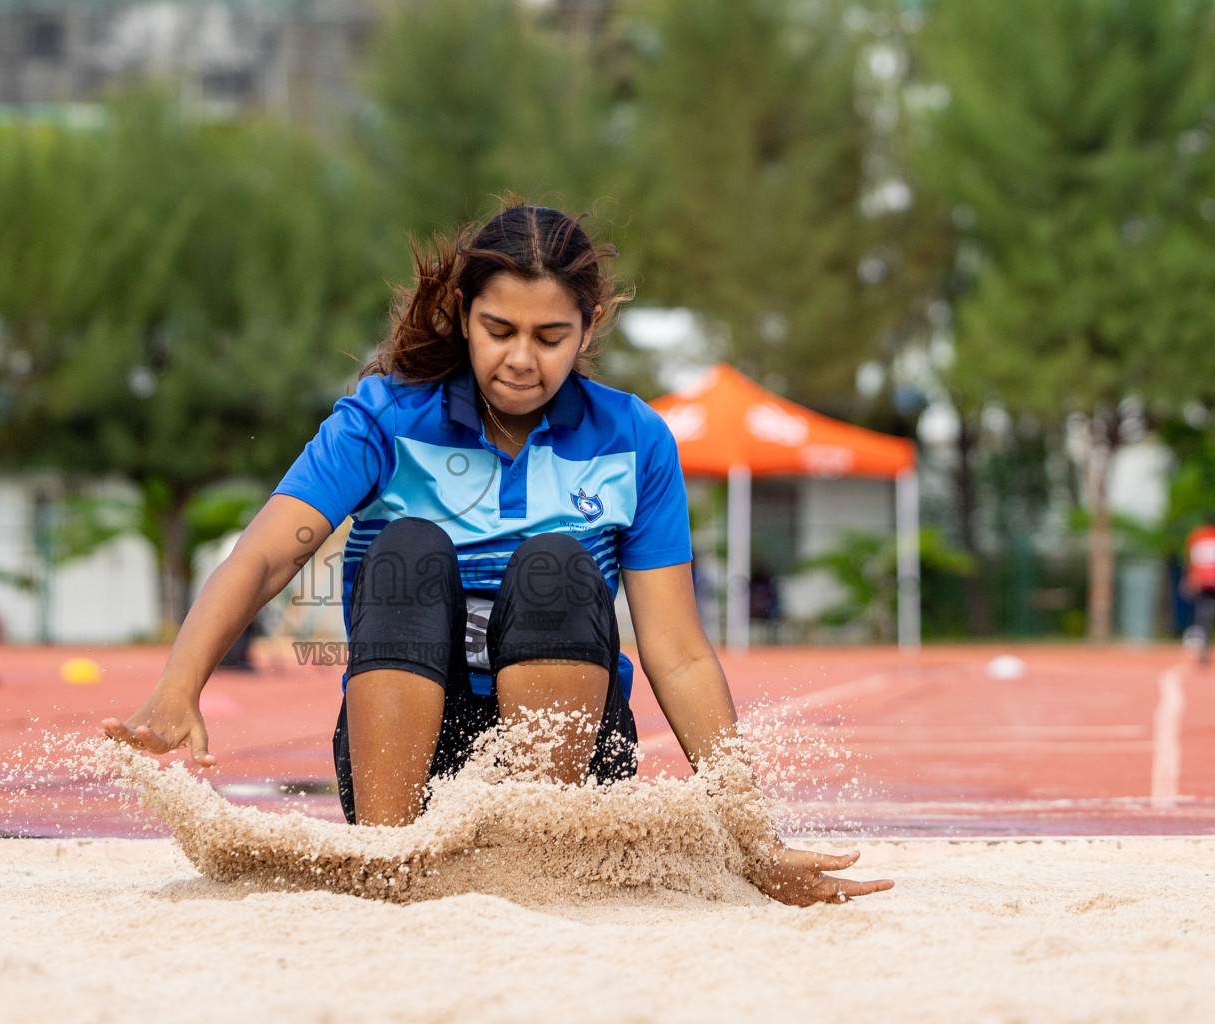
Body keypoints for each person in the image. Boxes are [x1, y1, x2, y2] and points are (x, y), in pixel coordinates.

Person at [103, 205, 892, 906]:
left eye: (550, 337)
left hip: (569, 756)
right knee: (407, 548)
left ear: (588, 329)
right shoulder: (383, 416)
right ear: (462, 315)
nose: (522, 359)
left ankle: (540, 849)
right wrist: (179, 687)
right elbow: (265, 558)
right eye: (499, 331)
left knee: (555, 565)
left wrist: (751, 836)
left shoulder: (634, 439)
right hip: (411, 753)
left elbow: (678, 651)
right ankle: (391, 857)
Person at [1183, 518, 1215, 667]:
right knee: (1203, 617)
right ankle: (1203, 649)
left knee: (1202, 616)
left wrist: (1190, 579)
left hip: (1203, 581)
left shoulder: (1197, 537)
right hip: (1209, 580)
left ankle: (1203, 650)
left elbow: (1192, 560)